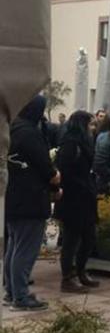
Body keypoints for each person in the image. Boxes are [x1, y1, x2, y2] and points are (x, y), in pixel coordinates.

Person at [5, 95, 60, 311]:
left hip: (11, 199)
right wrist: (56, 181)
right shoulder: (30, 134)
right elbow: (48, 170)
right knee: (25, 250)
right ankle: (20, 296)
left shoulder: (10, 129)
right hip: (31, 201)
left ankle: (11, 292)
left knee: (14, 247)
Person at [55, 111, 100, 293]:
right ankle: (68, 277)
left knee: (89, 236)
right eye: (90, 125)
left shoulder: (86, 142)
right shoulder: (70, 142)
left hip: (86, 196)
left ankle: (81, 270)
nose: (93, 128)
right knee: (71, 239)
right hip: (73, 198)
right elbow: (64, 170)